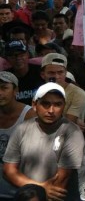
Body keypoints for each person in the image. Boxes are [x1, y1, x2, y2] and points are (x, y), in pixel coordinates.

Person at [3, 83, 85, 201]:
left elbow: (60, 183)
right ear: (34, 105)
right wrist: (41, 186)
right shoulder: (22, 129)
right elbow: (9, 170)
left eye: (57, 104)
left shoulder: (72, 132)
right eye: (45, 104)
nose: (51, 110)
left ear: (64, 107)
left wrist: (36, 188)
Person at [0, 72, 35, 200]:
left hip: (22, 190)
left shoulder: (30, 116)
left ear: (16, 91)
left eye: (4, 88)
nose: (0, 93)